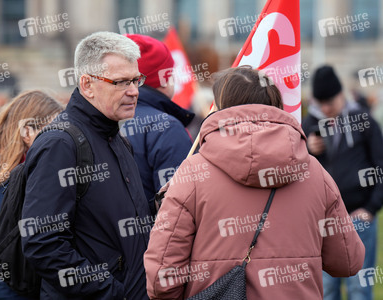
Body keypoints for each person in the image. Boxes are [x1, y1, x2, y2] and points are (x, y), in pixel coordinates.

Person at [144, 66, 365, 299]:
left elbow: (162, 280)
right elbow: (348, 260)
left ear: (220, 109)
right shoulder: (315, 173)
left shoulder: (192, 174)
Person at [21, 32, 152, 299]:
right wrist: (112, 292)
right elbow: (42, 243)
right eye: (120, 82)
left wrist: (159, 204)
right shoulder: (60, 144)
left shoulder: (115, 137)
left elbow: (110, 220)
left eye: (136, 80)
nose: (134, 91)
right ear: (87, 84)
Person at [0, 90, 64, 299]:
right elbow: (9, 255)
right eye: (53, 129)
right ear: (27, 132)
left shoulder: (29, 170)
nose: (60, 137)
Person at [302, 65, 383, 300]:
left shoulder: (364, 121)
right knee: (327, 289)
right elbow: (297, 169)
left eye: (331, 102)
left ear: (341, 95)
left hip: (360, 216)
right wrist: (309, 150)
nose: (326, 109)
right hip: (325, 220)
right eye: (321, 103)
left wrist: (370, 208)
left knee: (359, 288)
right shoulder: (309, 125)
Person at [122, 34, 194, 206]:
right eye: (171, 72)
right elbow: (181, 206)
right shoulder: (167, 128)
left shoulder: (104, 116)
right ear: (162, 79)